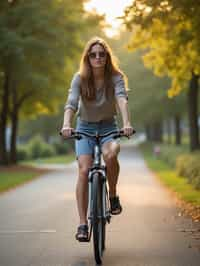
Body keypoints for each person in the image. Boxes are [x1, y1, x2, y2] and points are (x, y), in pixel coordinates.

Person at [61, 36, 134, 242]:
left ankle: (112, 195)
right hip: (84, 127)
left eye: (102, 54)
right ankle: (83, 224)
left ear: (107, 57)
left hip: (108, 126)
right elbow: (71, 102)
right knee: (84, 169)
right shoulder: (80, 78)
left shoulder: (116, 77)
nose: (98, 57)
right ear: (88, 58)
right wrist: (67, 124)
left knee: (110, 155)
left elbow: (122, 98)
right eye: (93, 54)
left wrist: (127, 123)